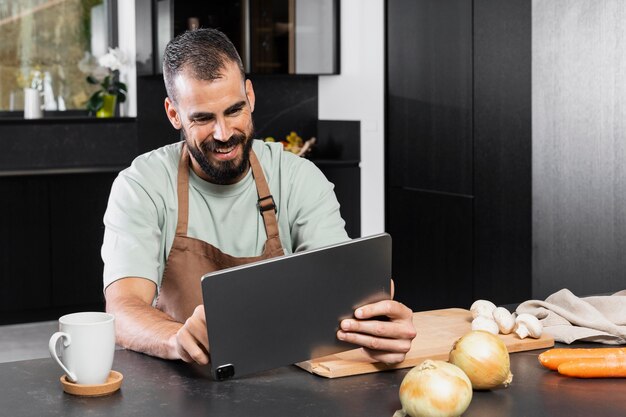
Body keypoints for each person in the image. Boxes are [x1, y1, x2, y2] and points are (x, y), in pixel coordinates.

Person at [102, 28, 416, 366]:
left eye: (234, 110)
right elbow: (122, 310)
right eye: (203, 118)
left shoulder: (298, 178)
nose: (223, 134)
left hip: (287, 374)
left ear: (250, 96)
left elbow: (336, 293)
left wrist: (375, 330)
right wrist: (175, 339)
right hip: (183, 378)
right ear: (174, 114)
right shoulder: (141, 186)